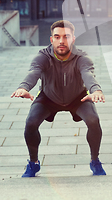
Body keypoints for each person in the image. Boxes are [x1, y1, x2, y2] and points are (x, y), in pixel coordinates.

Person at [11, 20, 106, 177]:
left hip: (78, 98)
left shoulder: (81, 57)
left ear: (73, 39)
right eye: (57, 37)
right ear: (51, 39)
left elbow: (88, 74)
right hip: (48, 97)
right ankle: (33, 163)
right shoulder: (43, 56)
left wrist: (96, 90)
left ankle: (95, 160)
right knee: (31, 122)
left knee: (93, 121)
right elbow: (34, 72)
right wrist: (24, 88)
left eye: (66, 37)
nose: (62, 41)